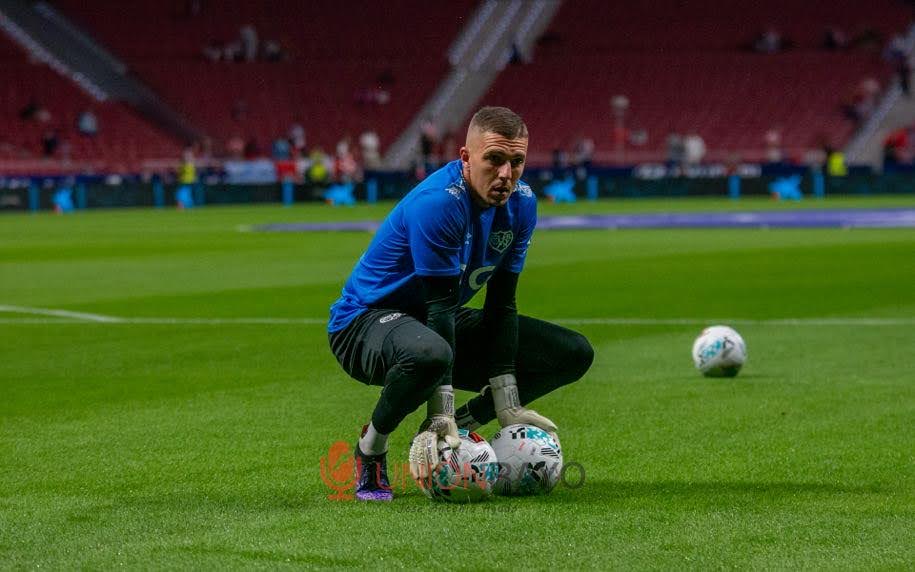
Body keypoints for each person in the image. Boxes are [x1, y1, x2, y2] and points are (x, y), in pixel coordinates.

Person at [327, 107, 594, 501]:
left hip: (435, 321)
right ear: (466, 157)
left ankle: (469, 421)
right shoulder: (439, 202)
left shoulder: (522, 204)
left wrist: (507, 404)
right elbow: (439, 308)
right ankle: (371, 448)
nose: (506, 174)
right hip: (363, 324)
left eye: (517, 161)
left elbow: (502, 305)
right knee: (432, 353)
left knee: (572, 353)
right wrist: (441, 411)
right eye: (494, 159)